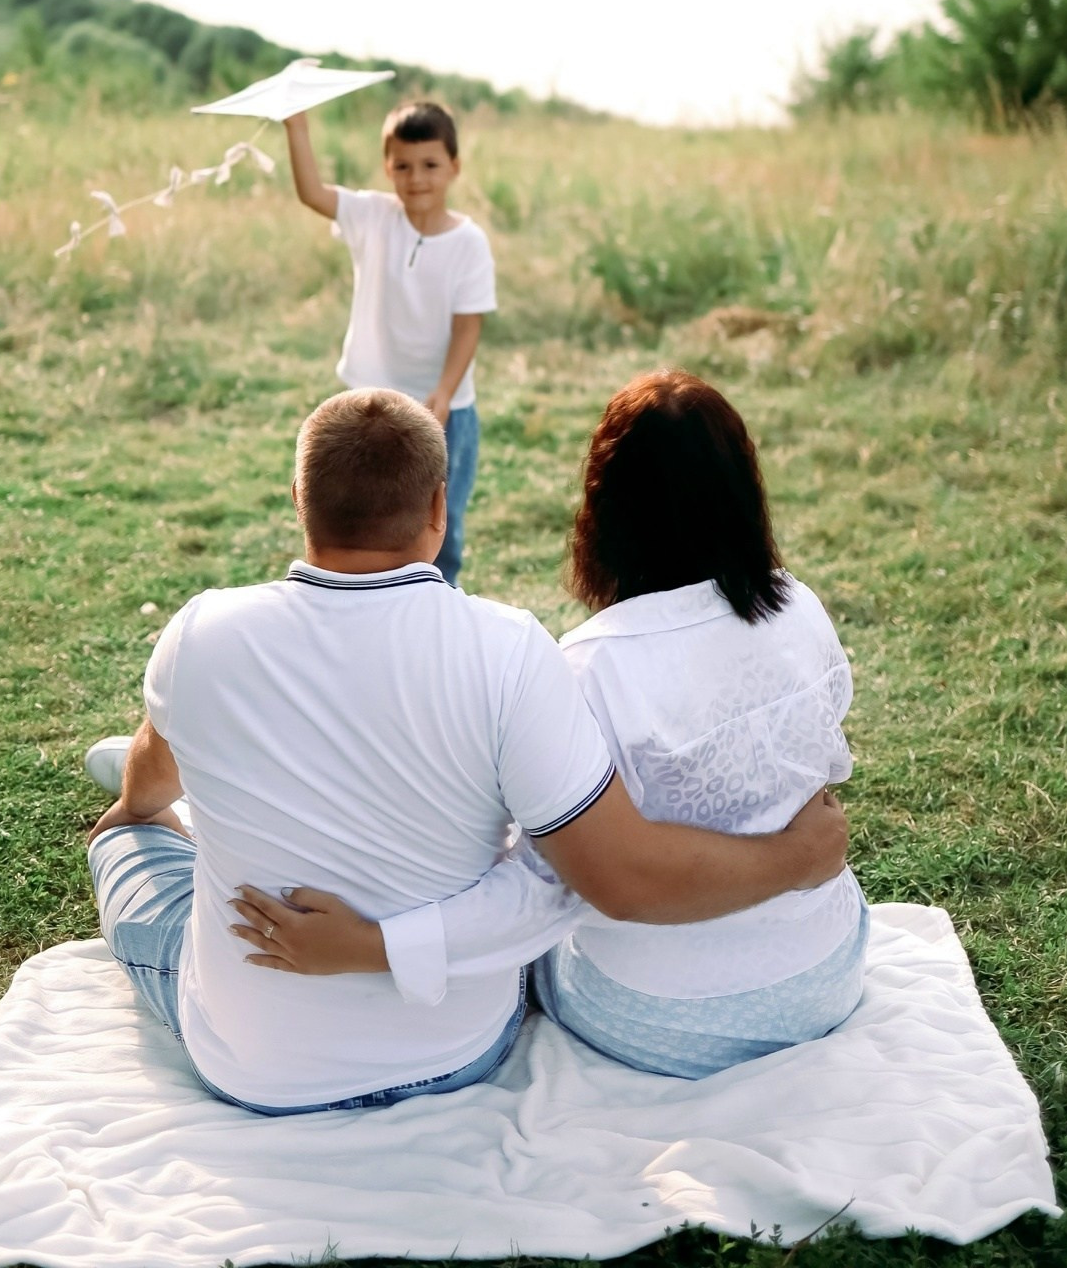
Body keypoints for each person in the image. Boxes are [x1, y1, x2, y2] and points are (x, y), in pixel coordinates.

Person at [85, 387, 849, 1115]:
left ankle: (158, 814)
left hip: (258, 1065)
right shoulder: (513, 650)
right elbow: (569, 879)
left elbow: (155, 766)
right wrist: (797, 855)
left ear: (299, 502)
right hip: (459, 1050)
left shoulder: (201, 634)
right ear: (437, 509)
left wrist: (135, 810)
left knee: (132, 842)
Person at [283, 96, 493, 585]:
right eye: (403, 166)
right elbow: (312, 193)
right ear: (387, 167)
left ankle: (436, 602)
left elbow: (468, 324)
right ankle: (363, 598)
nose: (416, 178)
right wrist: (296, 126)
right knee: (362, 519)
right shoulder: (372, 216)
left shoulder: (469, 243)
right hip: (368, 407)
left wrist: (444, 392)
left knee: (441, 525)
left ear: (454, 166)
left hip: (445, 410)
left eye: (430, 165)